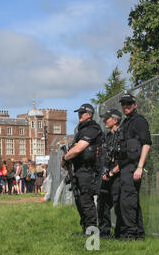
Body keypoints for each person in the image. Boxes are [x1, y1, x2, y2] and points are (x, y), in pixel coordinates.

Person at [62, 103, 103, 236]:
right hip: (79, 170)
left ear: (89, 114)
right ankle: (85, 229)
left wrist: (65, 158)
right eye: (78, 113)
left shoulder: (92, 129)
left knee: (86, 201)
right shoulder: (81, 130)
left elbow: (79, 148)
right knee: (79, 200)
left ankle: (92, 233)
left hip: (88, 170)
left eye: (82, 112)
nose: (79, 115)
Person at [116, 93, 151, 240]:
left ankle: (131, 235)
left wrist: (140, 167)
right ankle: (137, 233)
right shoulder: (126, 122)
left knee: (128, 201)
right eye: (123, 104)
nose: (126, 106)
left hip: (133, 167)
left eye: (128, 103)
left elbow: (146, 143)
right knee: (128, 201)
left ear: (135, 105)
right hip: (125, 167)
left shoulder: (139, 121)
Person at [97, 108, 123, 239]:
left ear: (115, 120)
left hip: (117, 176)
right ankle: (104, 233)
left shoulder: (122, 135)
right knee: (102, 204)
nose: (104, 121)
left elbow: (124, 159)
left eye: (107, 118)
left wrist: (112, 172)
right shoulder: (106, 137)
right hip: (105, 175)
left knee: (119, 205)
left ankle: (119, 234)